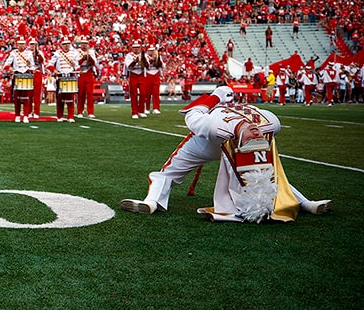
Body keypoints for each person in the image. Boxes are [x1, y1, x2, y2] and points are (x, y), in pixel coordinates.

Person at [119, 86, 331, 222]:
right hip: (230, 141)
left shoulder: (217, 124)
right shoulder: (264, 121)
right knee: (266, 175)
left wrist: (213, 98)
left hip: (212, 143)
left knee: (166, 174)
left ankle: (152, 201)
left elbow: (192, 115)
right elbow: (271, 124)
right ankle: (305, 203)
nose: (257, 131)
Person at [46, 37, 81, 123]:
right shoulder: (57, 54)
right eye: (65, 44)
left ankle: (70, 116)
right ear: (62, 45)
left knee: (70, 97)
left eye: (68, 44)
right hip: (61, 76)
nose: (66, 46)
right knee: (60, 98)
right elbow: (49, 64)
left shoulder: (74, 54)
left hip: (70, 76)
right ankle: (59, 116)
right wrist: (54, 70)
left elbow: (77, 66)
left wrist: (78, 70)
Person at [3, 39, 36, 123]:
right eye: (20, 44)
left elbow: (33, 66)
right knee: (17, 97)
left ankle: (25, 115)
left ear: (25, 45)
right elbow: (6, 64)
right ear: (17, 45)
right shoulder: (13, 53)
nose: (21, 45)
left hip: (26, 75)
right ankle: (17, 115)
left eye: (23, 44)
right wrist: (11, 69)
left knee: (27, 97)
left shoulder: (29, 53)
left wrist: (30, 67)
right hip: (17, 75)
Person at [76, 38, 99, 119]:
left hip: (89, 72)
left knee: (90, 93)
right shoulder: (77, 52)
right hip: (81, 73)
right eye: (83, 43)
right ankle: (80, 111)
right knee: (81, 93)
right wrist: (83, 59)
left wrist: (89, 58)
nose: (84, 45)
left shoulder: (91, 52)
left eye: (85, 44)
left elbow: (95, 63)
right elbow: (76, 63)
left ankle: (90, 112)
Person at [122, 41, 146, 119]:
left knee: (143, 93)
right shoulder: (129, 55)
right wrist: (135, 61)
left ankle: (141, 111)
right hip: (133, 75)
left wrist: (144, 60)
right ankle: (134, 112)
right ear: (132, 48)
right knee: (133, 94)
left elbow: (148, 65)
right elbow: (128, 65)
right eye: (135, 48)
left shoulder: (143, 55)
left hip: (141, 75)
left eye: (138, 47)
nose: (136, 49)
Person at [143, 44, 164, 115]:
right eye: (150, 50)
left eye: (153, 50)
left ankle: (156, 108)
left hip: (156, 74)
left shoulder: (158, 56)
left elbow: (162, 65)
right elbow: (147, 65)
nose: (152, 52)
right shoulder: (145, 56)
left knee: (156, 92)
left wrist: (157, 59)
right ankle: (146, 108)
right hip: (148, 74)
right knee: (147, 93)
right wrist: (152, 59)